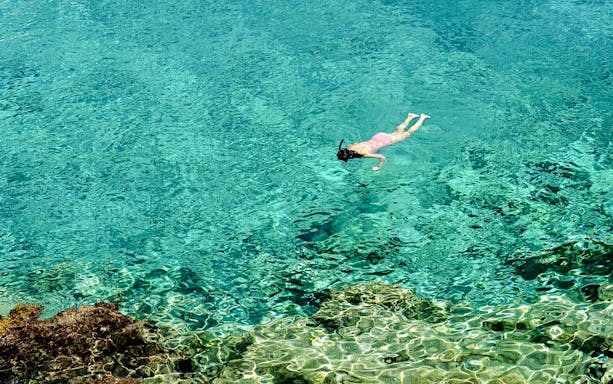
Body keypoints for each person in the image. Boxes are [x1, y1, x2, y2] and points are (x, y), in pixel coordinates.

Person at [337, 112, 430, 171]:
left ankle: (422, 117)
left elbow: (382, 157)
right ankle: (410, 117)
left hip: (386, 141)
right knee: (397, 131)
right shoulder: (350, 147)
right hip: (378, 136)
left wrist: (378, 166)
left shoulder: (364, 154)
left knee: (409, 132)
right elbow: (356, 143)